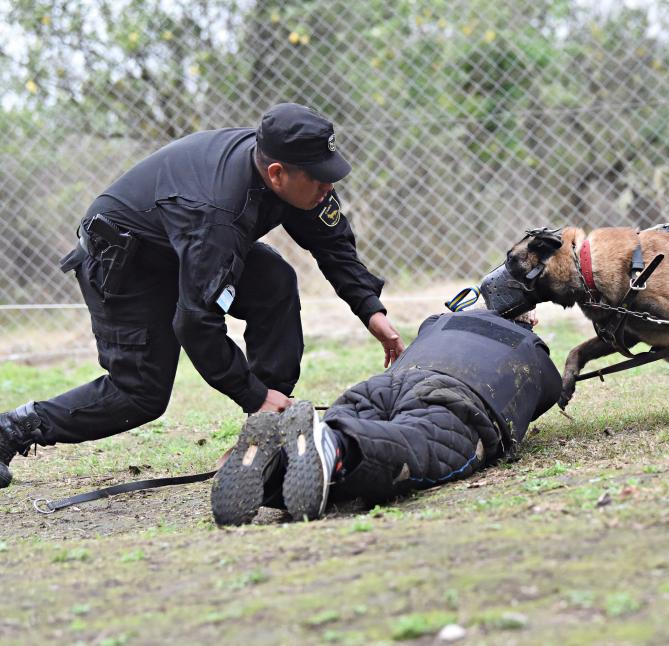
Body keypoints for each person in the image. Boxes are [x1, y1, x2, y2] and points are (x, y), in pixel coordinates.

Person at [0, 103, 405, 488]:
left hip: (179, 247)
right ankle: (12, 429)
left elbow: (332, 242)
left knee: (274, 281)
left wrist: (370, 309)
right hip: (126, 263)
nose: (328, 185)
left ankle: (267, 431)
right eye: (319, 178)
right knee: (138, 393)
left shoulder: (293, 172)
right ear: (278, 173)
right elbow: (196, 324)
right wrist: (252, 392)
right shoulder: (216, 215)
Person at [210, 308, 562, 526]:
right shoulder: (529, 345)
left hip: (384, 384)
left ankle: (278, 464)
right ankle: (335, 445)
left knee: (344, 429)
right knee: (418, 446)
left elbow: (432, 323)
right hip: (455, 396)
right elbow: (548, 391)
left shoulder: (441, 322)